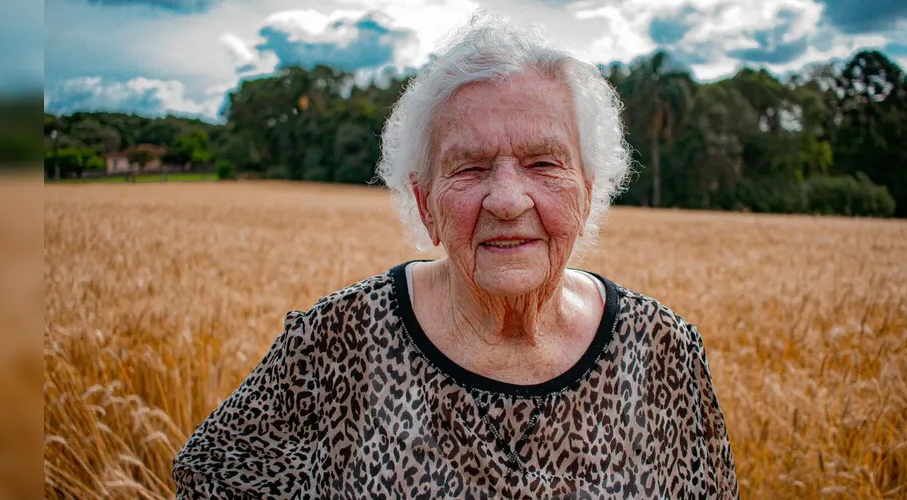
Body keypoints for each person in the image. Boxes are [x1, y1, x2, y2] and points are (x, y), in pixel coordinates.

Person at [173, 13, 739, 499]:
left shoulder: (664, 351)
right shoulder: (339, 338)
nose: (508, 199)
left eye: (544, 163)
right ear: (425, 204)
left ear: (588, 192)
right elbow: (211, 474)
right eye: (469, 168)